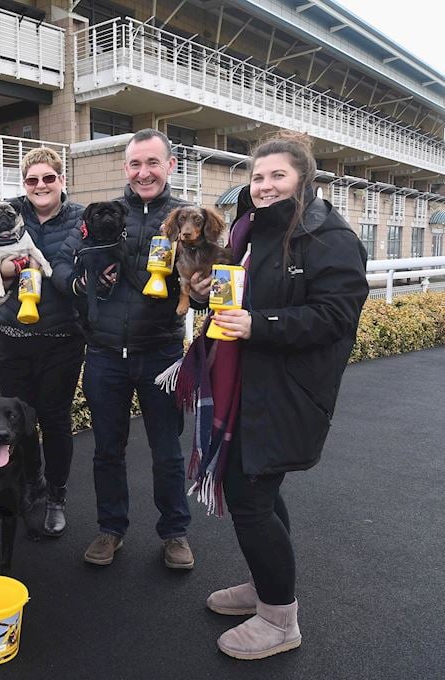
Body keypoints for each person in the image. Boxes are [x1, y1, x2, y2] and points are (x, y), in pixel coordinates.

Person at [183, 130, 368, 658]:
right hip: (246, 385)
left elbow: (336, 316)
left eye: (277, 176)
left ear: (303, 180)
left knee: (251, 498)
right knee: (261, 492)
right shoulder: (249, 230)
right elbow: (230, 296)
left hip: (288, 391)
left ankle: (280, 620)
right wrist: (202, 295)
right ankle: (268, 588)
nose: (264, 186)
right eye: (258, 176)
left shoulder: (328, 237)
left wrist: (257, 325)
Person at [53, 129, 194, 569]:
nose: (144, 172)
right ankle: (111, 529)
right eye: (135, 164)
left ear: (170, 166)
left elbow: (208, 280)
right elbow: (59, 265)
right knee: (107, 450)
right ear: (125, 169)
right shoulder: (102, 214)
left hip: (162, 353)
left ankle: (174, 533)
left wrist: (201, 290)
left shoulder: (185, 218)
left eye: (153, 163)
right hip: (105, 355)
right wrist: (82, 283)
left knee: (167, 450)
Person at [0, 147, 85, 537]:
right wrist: (3, 267)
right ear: (24, 184)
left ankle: (57, 495)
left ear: (62, 180)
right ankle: (29, 488)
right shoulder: (5, 211)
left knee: (56, 420)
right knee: (19, 425)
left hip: (63, 338)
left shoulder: (80, 218)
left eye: (49, 178)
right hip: (12, 338)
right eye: (32, 180)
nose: (40, 186)